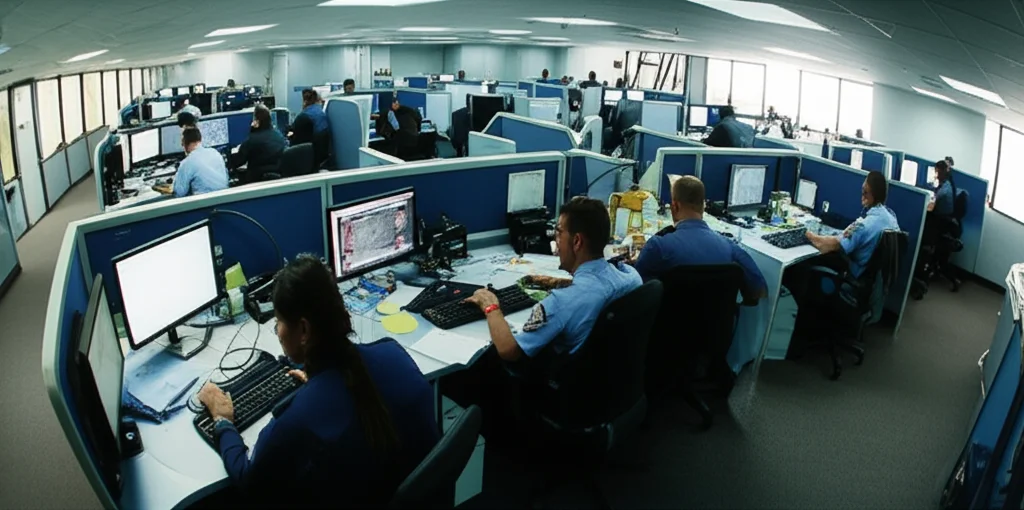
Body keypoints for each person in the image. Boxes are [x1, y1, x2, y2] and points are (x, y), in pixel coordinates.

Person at [198, 255, 439, 508]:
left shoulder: (296, 420)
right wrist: (316, 380)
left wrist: (223, 421)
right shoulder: (393, 353)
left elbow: (248, 479)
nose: (278, 332)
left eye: (278, 322)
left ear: (304, 330)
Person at [463, 196, 642, 362]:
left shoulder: (561, 302)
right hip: (611, 380)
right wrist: (559, 282)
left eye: (559, 233)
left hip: (558, 386)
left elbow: (509, 350)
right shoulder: (631, 277)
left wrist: (490, 305)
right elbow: (596, 287)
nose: (556, 241)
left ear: (577, 241)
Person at [633, 176, 767, 302]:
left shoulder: (658, 245)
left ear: (675, 206)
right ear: (703, 206)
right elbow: (759, 292)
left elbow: (634, 288)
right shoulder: (730, 246)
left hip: (667, 324)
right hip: (718, 325)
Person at [804, 170, 900, 279]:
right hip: (877, 279)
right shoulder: (892, 218)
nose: (862, 194)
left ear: (868, 193)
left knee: (812, 260)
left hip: (857, 273)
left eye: (864, 191)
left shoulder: (863, 226)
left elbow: (835, 245)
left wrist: (808, 235)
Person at [230, 105, 287, 183]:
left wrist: (253, 131)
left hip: (256, 181)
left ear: (256, 121)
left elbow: (238, 161)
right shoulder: (279, 135)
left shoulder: (252, 140)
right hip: (279, 179)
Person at [173, 128, 229, 197]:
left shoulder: (188, 162)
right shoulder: (215, 152)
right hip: (224, 197)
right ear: (200, 139)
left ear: (184, 143)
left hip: (204, 202)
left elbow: (179, 192)